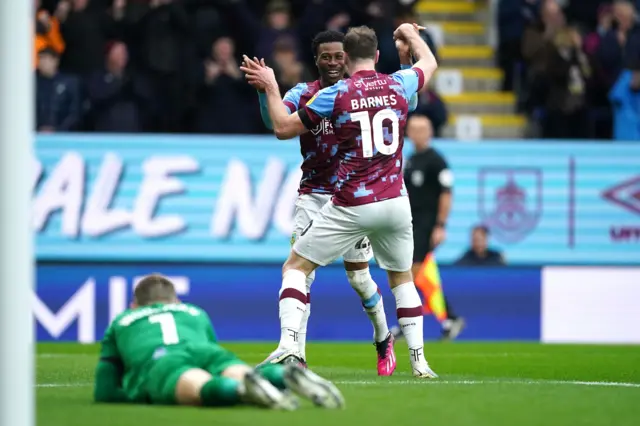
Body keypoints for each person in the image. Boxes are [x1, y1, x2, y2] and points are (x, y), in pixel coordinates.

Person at [241, 23, 439, 378]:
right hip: (321, 195)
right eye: (326, 57)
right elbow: (272, 120)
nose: (332, 62)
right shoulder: (312, 91)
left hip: (349, 199)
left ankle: (382, 337)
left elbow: (282, 126)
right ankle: (295, 353)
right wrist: (410, 43)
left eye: (337, 56)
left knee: (358, 279)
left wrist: (270, 86)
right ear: (316, 61)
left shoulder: (339, 95)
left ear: (346, 58)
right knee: (314, 275)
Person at [93, 274, 345, 410]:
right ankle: (280, 376)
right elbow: (210, 352)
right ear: (176, 301)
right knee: (233, 370)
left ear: (134, 305)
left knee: (197, 382)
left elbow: (105, 390)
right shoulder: (193, 311)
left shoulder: (123, 320)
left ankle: (240, 391)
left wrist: (139, 395)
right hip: (205, 350)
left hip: (163, 359)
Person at [390, 114, 465, 342]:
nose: (418, 134)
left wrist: (440, 225)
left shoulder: (436, 161)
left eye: (422, 129)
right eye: (413, 129)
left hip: (426, 225)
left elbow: (446, 194)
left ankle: (411, 321)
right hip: (410, 224)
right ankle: (448, 318)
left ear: (430, 132)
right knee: (420, 276)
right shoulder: (411, 159)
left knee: (409, 273)